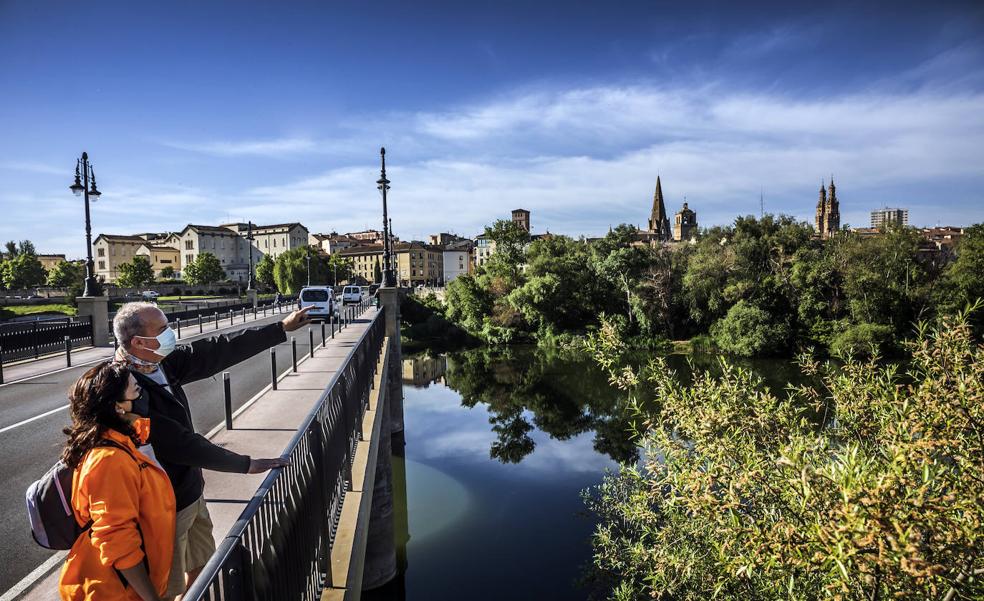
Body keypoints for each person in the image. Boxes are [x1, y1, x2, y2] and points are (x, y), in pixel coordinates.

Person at [111, 302, 311, 599]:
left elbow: (215, 351)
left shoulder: (159, 362)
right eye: (163, 329)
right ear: (139, 342)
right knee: (166, 586)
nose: (171, 334)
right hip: (163, 509)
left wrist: (280, 328)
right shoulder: (125, 389)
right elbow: (181, 444)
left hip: (191, 493)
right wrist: (246, 464)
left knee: (203, 569)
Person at [59, 362, 174, 601]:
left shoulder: (122, 444)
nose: (143, 395)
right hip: (118, 592)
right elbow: (117, 540)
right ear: (119, 407)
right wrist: (151, 598)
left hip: (129, 589)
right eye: (136, 391)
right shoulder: (109, 460)